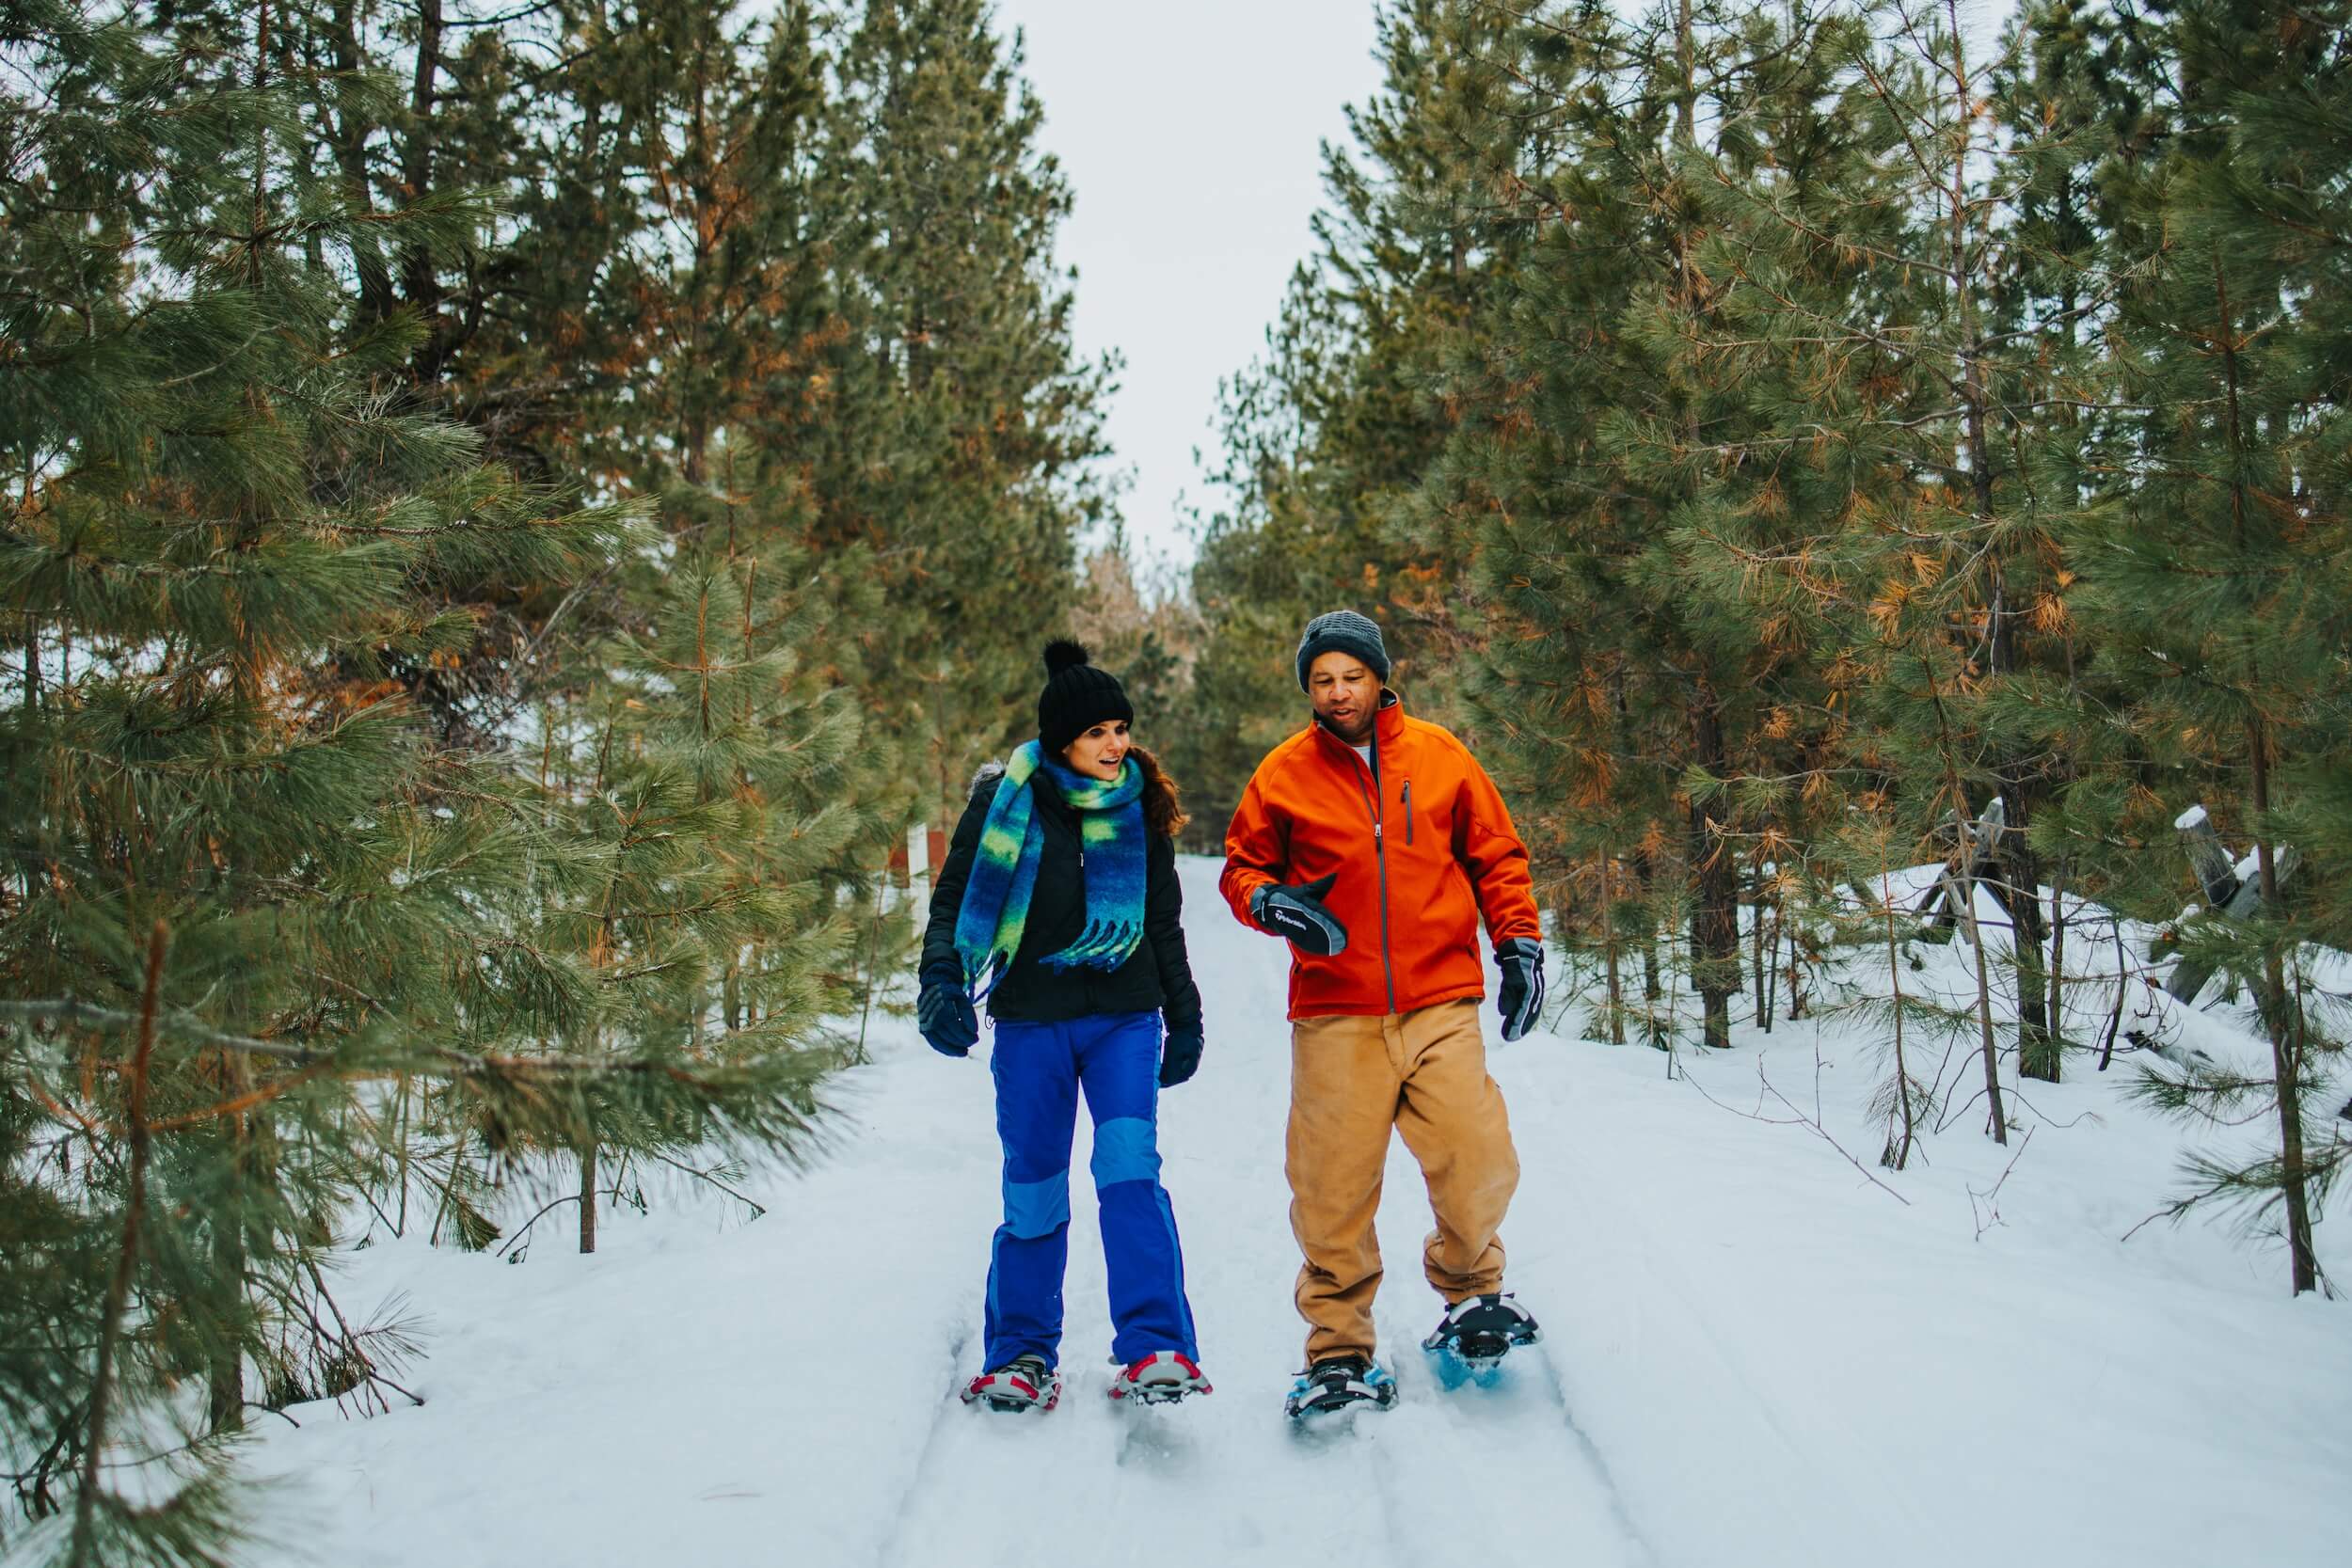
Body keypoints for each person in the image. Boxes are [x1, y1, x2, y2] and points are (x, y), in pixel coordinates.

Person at [1219, 610, 1549, 1418]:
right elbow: (1241, 866)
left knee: (1477, 1154)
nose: (1338, 693)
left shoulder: (1439, 757)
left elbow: (1497, 854)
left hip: (1441, 1000)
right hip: (1336, 1012)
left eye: (1351, 676)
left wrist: (1519, 945)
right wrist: (1273, 903)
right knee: (1330, 1189)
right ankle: (1339, 1347)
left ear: (1378, 677)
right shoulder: (1284, 773)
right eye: (1323, 680)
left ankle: (1472, 1290)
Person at [917, 640, 1212, 1413]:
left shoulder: (1138, 802)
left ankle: (1155, 1345)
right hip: (1030, 1022)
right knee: (1036, 1187)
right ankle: (1020, 1352)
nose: (1118, 745)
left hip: (1123, 1019)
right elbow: (954, 899)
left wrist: (1184, 1014)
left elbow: (1163, 922)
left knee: (1129, 1174)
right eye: (1099, 734)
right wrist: (941, 981)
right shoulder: (1005, 800)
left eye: (1121, 728)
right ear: (1059, 743)